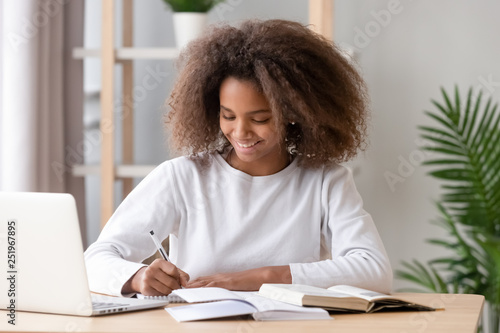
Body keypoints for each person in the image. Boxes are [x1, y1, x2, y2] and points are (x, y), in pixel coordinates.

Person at [84, 19, 393, 297]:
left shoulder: (326, 180)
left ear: (294, 114)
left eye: (259, 118)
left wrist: (260, 277)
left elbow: (374, 271)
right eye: (228, 115)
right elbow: (95, 258)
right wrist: (137, 277)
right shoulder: (182, 176)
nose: (240, 131)